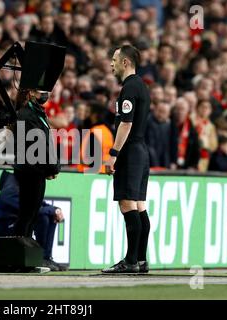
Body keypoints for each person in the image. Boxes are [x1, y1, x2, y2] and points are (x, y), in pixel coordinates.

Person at [103, 45, 151, 274]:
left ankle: (131, 261)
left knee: (127, 204)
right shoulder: (141, 85)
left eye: (114, 59)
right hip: (141, 150)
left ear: (125, 62)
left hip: (130, 152)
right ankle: (141, 260)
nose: (111, 63)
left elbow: (126, 123)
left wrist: (113, 154)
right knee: (140, 207)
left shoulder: (130, 87)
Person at [0, 170, 67, 271]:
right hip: (3, 228)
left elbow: (39, 204)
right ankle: (40, 258)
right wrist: (52, 210)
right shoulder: (10, 190)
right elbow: (29, 208)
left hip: (16, 223)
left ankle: (46, 257)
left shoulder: (20, 184)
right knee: (43, 217)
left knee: (50, 216)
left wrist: (55, 209)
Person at [12, 88, 60, 238]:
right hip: (29, 171)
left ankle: (24, 248)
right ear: (31, 93)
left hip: (35, 170)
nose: (46, 94)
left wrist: (49, 168)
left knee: (31, 214)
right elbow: (38, 145)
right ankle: (20, 250)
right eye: (42, 91)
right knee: (27, 214)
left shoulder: (36, 113)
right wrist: (53, 167)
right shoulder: (27, 115)